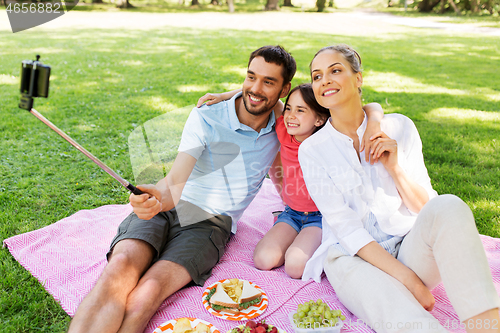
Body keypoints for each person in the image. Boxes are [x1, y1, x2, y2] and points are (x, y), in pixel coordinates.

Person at [68, 45, 296, 333]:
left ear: (284, 89)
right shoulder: (206, 116)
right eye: (251, 77)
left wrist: (375, 115)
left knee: (150, 290)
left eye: (268, 82)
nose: (255, 88)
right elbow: (175, 183)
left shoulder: (286, 123)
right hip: (171, 205)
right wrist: (154, 200)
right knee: (118, 271)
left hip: (211, 223)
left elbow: (329, 101)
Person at [299, 44, 500, 332]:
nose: (324, 80)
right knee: (398, 312)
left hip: (408, 245)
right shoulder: (313, 150)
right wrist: (410, 281)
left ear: (358, 79)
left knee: (449, 205)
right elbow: (346, 229)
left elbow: (425, 207)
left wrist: (394, 169)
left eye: (335, 70)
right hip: (351, 257)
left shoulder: (400, 127)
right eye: (316, 76)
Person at [197, 85, 383, 279]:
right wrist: (222, 96)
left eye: (300, 110)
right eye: (289, 108)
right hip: (292, 213)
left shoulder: (328, 138)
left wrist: (374, 124)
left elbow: (371, 107)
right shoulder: (285, 132)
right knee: (263, 259)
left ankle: (325, 244)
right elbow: (266, 95)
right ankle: (294, 238)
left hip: (321, 217)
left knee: (295, 267)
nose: (291, 115)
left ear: (319, 118)